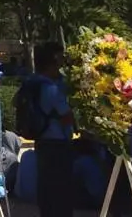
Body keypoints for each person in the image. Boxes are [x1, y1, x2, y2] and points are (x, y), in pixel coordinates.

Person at [32, 42, 75, 217]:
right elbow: (66, 115)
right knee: (61, 191)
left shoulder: (33, 82)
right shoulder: (51, 88)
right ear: (52, 63)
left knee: (46, 188)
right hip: (57, 144)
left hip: (42, 141)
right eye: (59, 60)